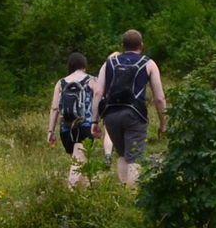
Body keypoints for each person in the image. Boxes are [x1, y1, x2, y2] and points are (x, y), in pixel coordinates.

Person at [96, 29, 165, 189]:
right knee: (134, 158)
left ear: (122, 46)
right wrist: (163, 122)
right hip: (135, 114)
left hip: (111, 115)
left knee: (122, 155)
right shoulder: (148, 63)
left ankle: (122, 193)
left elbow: (98, 92)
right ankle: (132, 195)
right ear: (142, 45)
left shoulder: (109, 63)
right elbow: (159, 98)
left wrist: (94, 120)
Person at [47, 50, 98, 186]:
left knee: (80, 161)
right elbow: (99, 98)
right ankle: (71, 193)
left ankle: (84, 196)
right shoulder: (91, 80)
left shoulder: (61, 83)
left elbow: (54, 108)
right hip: (85, 126)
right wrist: (97, 120)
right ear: (84, 65)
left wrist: (50, 131)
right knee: (79, 163)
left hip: (66, 129)